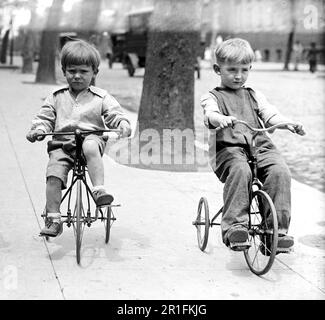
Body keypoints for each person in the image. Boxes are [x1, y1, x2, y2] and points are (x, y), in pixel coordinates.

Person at [200, 38, 305, 253]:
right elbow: (209, 114)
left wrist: (287, 124)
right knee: (241, 170)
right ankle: (235, 228)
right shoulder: (212, 97)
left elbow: (270, 114)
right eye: (232, 70)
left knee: (280, 172)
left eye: (244, 70)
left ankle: (275, 233)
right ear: (217, 69)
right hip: (230, 150)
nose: (238, 76)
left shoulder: (254, 95)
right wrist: (219, 119)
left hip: (260, 148)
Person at [26, 39, 132, 237]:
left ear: (94, 73)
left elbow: (114, 114)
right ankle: (54, 218)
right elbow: (45, 117)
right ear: (64, 70)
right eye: (71, 71)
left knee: (91, 146)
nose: (77, 76)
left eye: (83, 71)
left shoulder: (101, 97)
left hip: (91, 139)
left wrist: (122, 125)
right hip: (62, 144)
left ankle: (99, 190)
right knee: (53, 175)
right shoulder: (56, 96)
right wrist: (38, 130)